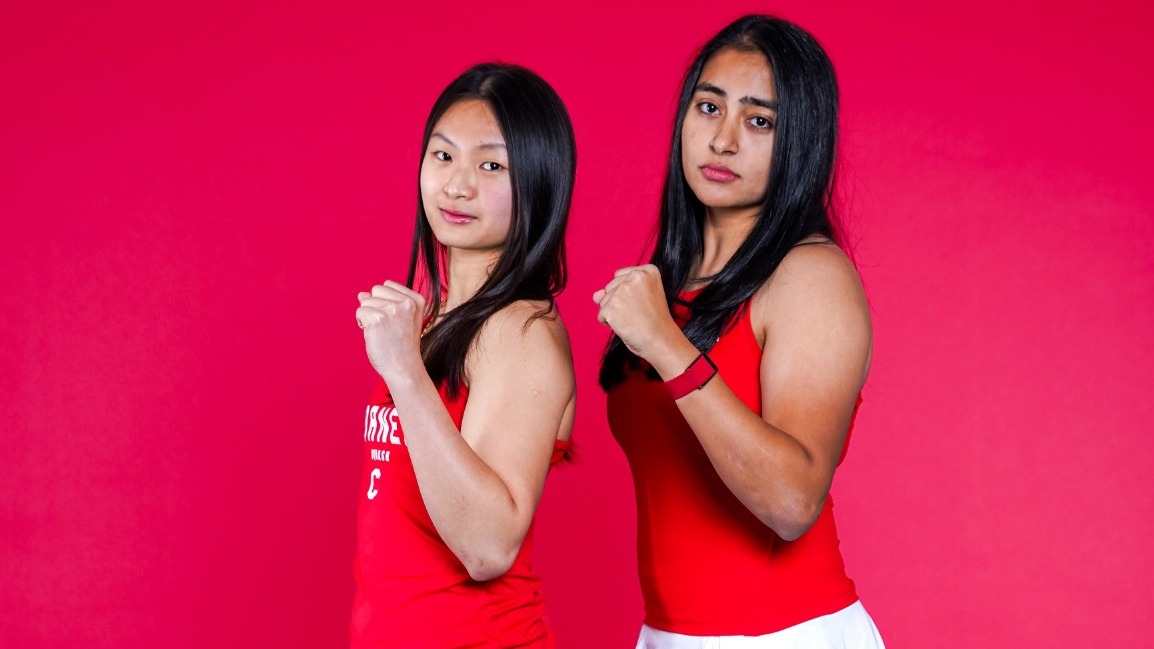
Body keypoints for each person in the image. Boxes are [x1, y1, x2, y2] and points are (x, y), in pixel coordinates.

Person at [594, 15, 886, 648]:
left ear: (800, 142)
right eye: (708, 106)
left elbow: (792, 501)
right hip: (668, 635)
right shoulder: (669, 283)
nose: (722, 140)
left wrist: (667, 346)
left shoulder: (810, 274)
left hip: (786, 634)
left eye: (759, 121)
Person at [351, 62, 576, 648]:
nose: (457, 185)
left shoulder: (520, 328)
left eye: (491, 165)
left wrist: (403, 371)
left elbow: (488, 546)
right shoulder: (438, 319)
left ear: (538, 181)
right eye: (443, 155)